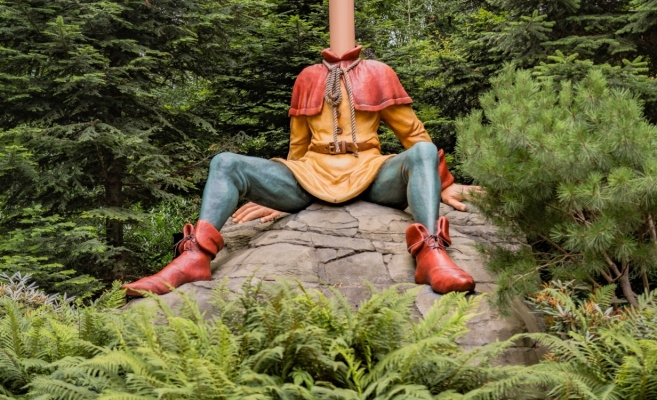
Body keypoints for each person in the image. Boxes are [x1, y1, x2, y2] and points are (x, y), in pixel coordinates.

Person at [123, 46, 476, 297]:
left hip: (371, 172)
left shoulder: (378, 72)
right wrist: (279, 198)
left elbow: (414, 137)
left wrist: (442, 184)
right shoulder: (308, 77)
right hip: (311, 175)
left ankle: (431, 254)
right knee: (225, 162)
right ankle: (193, 258)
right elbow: (297, 149)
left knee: (424, 151)